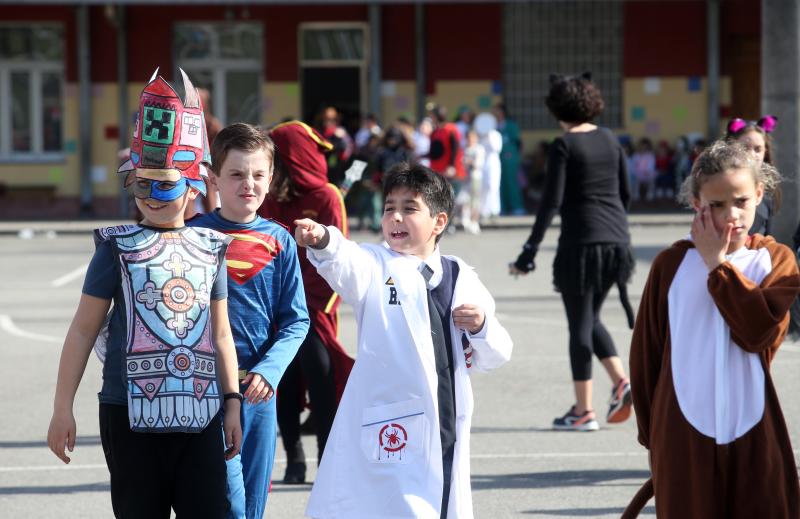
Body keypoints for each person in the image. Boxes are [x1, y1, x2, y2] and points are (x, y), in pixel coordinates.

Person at [47, 69, 243, 518]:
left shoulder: (213, 248)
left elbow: (222, 335)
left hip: (201, 412)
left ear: (194, 186)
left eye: (165, 183)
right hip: (126, 412)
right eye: (140, 184)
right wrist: (63, 409)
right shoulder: (114, 248)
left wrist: (231, 402)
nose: (150, 195)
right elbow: (81, 332)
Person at [298, 163, 513, 518]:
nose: (395, 218)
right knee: (387, 504)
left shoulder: (459, 276)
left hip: (444, 418)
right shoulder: (376, 264)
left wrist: (481, 327)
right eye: (389, 209)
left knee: (438, 501)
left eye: (409, 209)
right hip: (388, 420)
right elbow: (345, 260)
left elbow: (498, 353)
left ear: (439, 222)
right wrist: (324, 238)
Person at [623, 140, 799, 518]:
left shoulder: (775, 261)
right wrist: (653, 435)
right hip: (681, 431)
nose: (730, 215)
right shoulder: (671, 264)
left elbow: (757, 334)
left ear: (759, 194)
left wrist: (717, 266)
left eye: (740, 201)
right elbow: (646, 355)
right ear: (696, 203)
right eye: (715, 205)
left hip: (753, 424)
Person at [189, 123, 310, 519]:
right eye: (237, 174)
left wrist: (270, 371)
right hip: (204, 393)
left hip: (260, 396)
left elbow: (296, 321)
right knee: (229, 504)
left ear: (270, 178)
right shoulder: (191, 236)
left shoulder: (281, 241)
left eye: (258, 175)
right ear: (213, 178)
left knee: (254, 506)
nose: (249, 185)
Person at [510, 72, 634, 432]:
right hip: (617, 243)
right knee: (591, 318)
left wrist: (529, 251)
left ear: (556, 109)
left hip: (581, 245)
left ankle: (584, 411)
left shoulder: (564, 145)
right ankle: (621, 381)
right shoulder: (610, 140)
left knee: (579, 325)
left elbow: (551, 203)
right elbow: (625, 193)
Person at [258, 120, 355, 485]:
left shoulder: (328, 196)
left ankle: (328, 460)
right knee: (280, 380)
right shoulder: (270, 198)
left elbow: (337, 255)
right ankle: (293, 458)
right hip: (273, 307)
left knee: (321, 374)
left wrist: (308, 309)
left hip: (315, 307)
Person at [724, 115, 779, 236]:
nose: (751, 155)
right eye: (744, 148)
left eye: (758, 149)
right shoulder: (718, 187)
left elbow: (767, 238)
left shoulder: (768, 193)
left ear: (766, 152)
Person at [493, 103, 525, 215]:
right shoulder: (494, 125)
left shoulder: (511, 125)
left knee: (511, 182)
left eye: (497, 110)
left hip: (510, 158)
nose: (495, 113)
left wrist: (519, 157)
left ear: (503, 112)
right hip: (497, 158)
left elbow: (519, 142)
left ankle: (517, 207)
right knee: (499, 183)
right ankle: (502, 208)